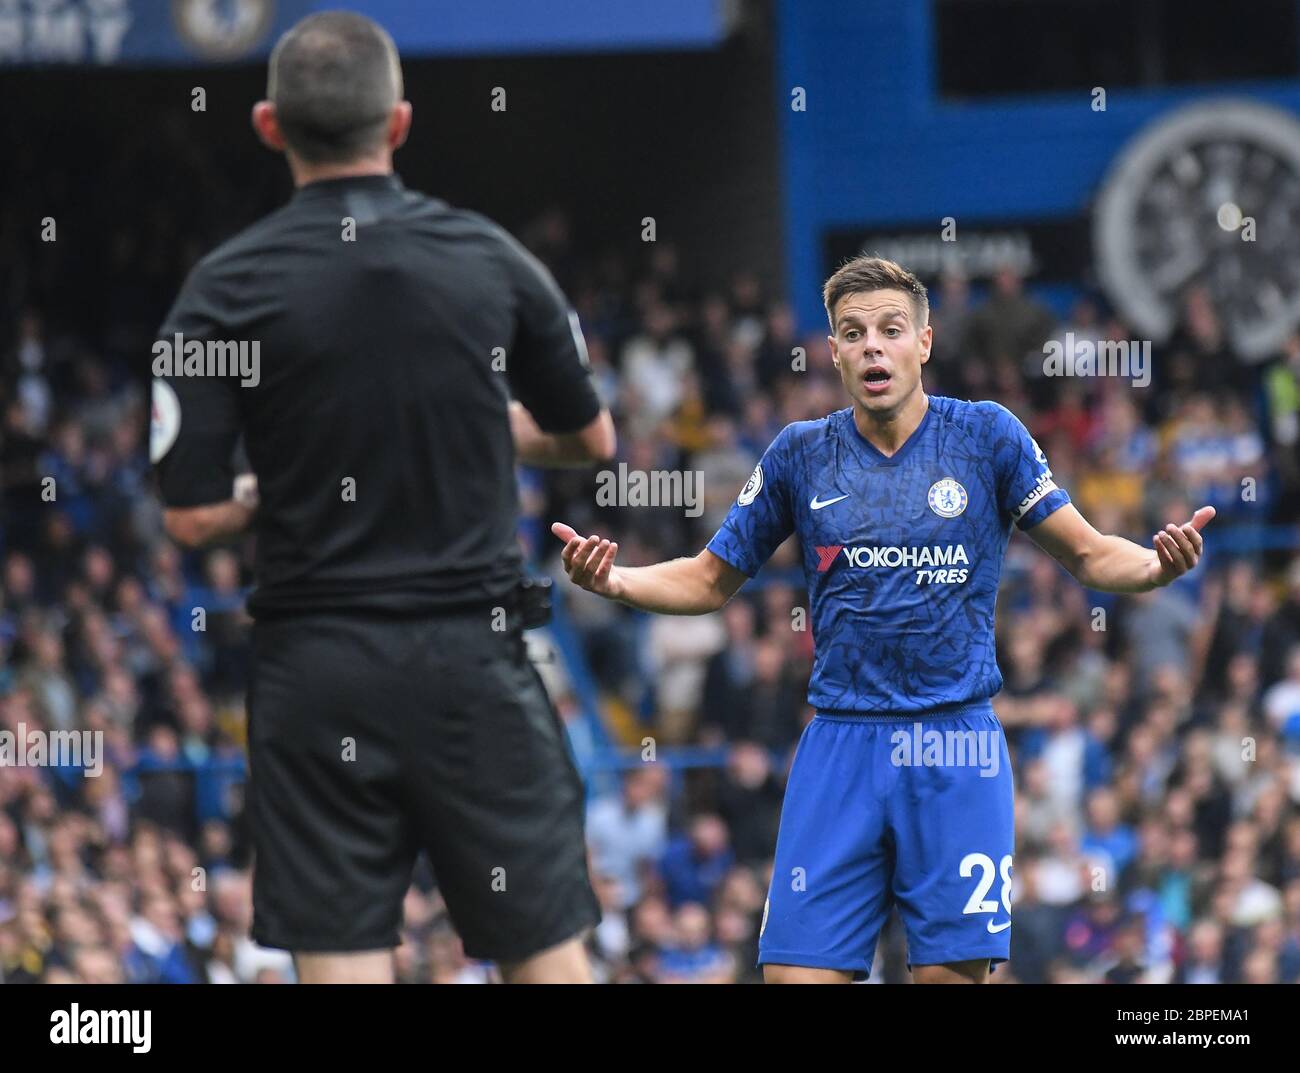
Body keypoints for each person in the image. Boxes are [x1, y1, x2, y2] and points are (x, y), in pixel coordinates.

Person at [551, 255, 1212, 983]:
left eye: (891, 329)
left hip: (956, 746)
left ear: (923, 342)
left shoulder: (988, 437)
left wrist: (1153, 566)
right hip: (841, 745)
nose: (873, 346)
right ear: (833, 350)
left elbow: (1088, 555)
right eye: (853, 332)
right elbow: (708, 579)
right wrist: (613, 579)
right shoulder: (801, 454)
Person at [152, 11, 615, 984]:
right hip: (473, 663)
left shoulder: (219, 290)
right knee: (546, 956)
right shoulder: (493, 258)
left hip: (318, 674)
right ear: (399, 124)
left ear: (268, 125)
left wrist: (266, 489)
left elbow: (189, 516)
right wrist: (473, 428)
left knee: (344, 963)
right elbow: (589, 435)